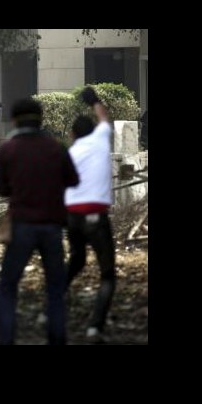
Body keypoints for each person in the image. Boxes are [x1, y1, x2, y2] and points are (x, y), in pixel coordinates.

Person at [0, 98, 79, 345]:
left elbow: (2, 189)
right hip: (52, 226)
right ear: (41, 119)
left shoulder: (9, 149)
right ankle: (57, 338)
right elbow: (73, 180)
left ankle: (7, 339)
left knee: (8, 286)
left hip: (21, 225)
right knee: (55, 288)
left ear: (14, 120)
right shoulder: (56, 147)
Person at [64, 86, 116, 343]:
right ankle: (95, 327)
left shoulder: (70, 153)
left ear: (73, 134)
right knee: (107, 275)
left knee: (77, 261)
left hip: (72, 216)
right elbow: (105, 118)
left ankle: (50, 306)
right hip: (96, 215)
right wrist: (94, 100)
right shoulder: (101, 138)